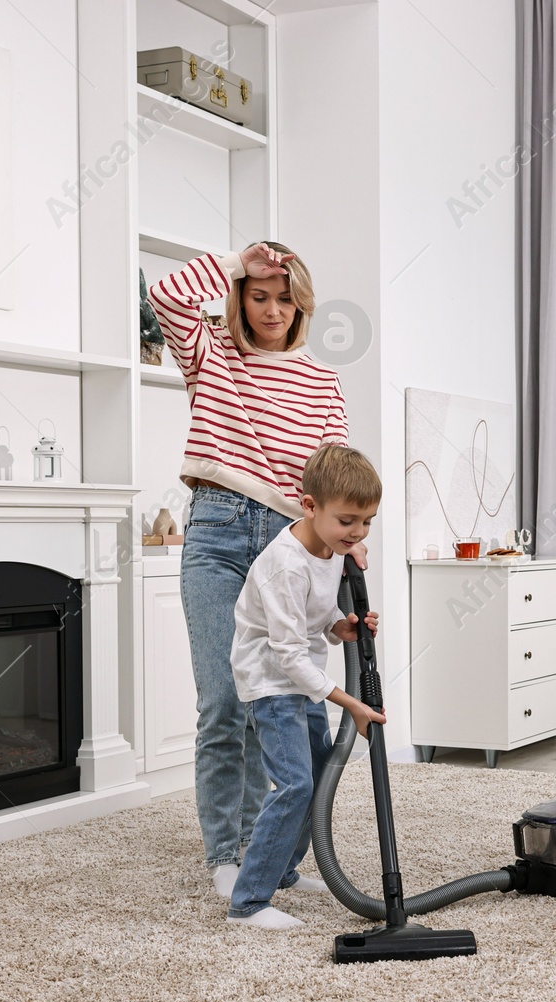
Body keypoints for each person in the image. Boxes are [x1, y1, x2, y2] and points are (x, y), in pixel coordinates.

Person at [147, 242, 364, 898]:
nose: (272, 309)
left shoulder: (321, 381)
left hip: (289, 545)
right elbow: (165, 296)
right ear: (239, 295)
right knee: (224, 701)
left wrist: (353, 544)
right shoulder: (210, 352)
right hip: (214, 534)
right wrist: (235, 259)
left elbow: (337, 479)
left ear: (302, 300)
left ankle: (284, 855)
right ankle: (228, 854)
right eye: (258, 294)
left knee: (297, 705)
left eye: (284, 296)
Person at [225, 444, 386, 929]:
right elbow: (287, 652)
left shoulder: (330, 548)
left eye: (367, 522)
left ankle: (283, 872)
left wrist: (343, 627)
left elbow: (316, 619)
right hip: (272, 682)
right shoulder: (285, 564)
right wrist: (351, 704)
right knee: (294, 783)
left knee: (315, 780)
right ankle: (248, 902)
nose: (357, 532)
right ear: (309, 505)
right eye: (347, 521)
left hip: (303, 678)